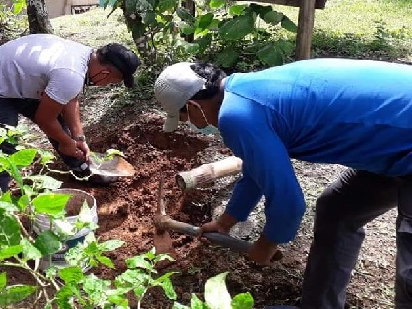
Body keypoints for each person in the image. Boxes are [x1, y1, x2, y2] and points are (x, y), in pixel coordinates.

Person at [153, 59, 412, 309]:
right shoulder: (248, 89)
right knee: (338, 210)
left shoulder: (236, 116)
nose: (193, 125)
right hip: (393, 140)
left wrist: (266, 244)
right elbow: (256, 170)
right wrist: (226, 222)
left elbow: (289, 203)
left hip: (404, 138)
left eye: (185, 118)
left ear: (195, 106)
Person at [0, 33, 140, 202]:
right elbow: (45, 119)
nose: (106, 85)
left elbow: (69, 98)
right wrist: (66, 142)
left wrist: (78, 137)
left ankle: (81, 169)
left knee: (60, 125)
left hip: (15, 82)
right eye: (111, 82)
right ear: (105, 74)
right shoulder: (71, 73)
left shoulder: (84, 57)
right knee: (4, 151)